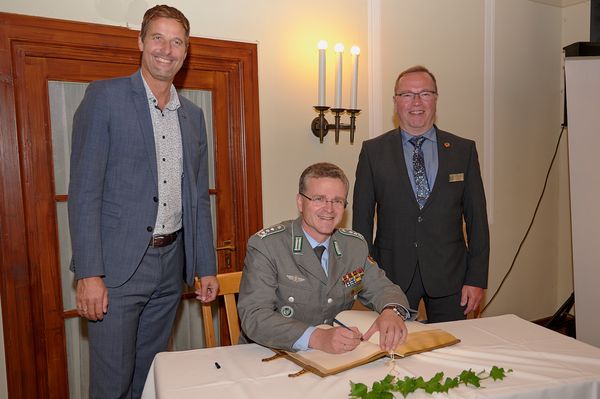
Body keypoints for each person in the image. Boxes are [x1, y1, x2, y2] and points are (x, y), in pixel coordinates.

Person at [68, 5, 218, 398]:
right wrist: (89, 274)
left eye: (177, 41)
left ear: (186, 51)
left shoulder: (193, 116)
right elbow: (84, 192)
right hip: (116, 271)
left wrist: (206, 267)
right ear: (140, 41)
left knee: (150, 379)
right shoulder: (105, 97)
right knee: (112, 384)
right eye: (158, 38)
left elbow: (198, 198)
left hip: (171, 269)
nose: (166, 49)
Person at [352, 65, 489, 323]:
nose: (416, 102)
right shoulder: (373, 152)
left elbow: (477, 221)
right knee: (393, 352)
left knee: (453, 351)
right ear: (396, 102)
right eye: (407, 95)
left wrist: (476, 278)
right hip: (391, 277)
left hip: (452, 277)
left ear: (436, 99)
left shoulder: (463, 150)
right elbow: (361, 221)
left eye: (425, 93)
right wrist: (366, 278)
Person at [238, 162, 413, 354]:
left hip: (333, 358)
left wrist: (391, 312)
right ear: (300, 202)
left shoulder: (353, 246)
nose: (329, 209)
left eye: (337, 201)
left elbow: (383, 288)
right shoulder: (268, 245)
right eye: (319, 199)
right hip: (273, 354)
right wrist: (316, 337)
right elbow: (254, 316)